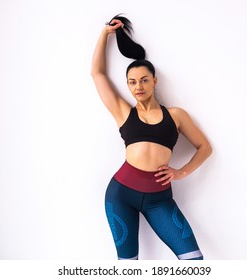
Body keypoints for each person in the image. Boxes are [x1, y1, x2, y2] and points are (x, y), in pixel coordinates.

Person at [91, 15, 212, 260]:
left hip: (159, 200)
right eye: (132, 82)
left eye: (144, 80)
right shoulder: (123, 112)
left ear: (154, 81)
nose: (139, 86)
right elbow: (98, 74)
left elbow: (204, 147)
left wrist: (182, 172)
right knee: (129, 266)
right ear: (127, 85)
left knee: (194, 261)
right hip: (120, 195)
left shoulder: (176, 115)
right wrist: (105, 34)